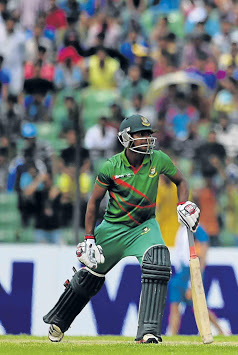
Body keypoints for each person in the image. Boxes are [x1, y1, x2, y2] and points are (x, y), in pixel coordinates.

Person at [42, 114, 201, 344]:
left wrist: (183, 203)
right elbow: (93, 203)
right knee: (89, 278)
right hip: (113, 228)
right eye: (141, 134)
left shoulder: (158, 159)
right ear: (126, 138)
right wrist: (89, 238)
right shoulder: (111, 166)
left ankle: (148, 332)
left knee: (158, 262)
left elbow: (181, 181)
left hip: (144, 226)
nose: (147, 139)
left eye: (149, 134)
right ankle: (58, 320)